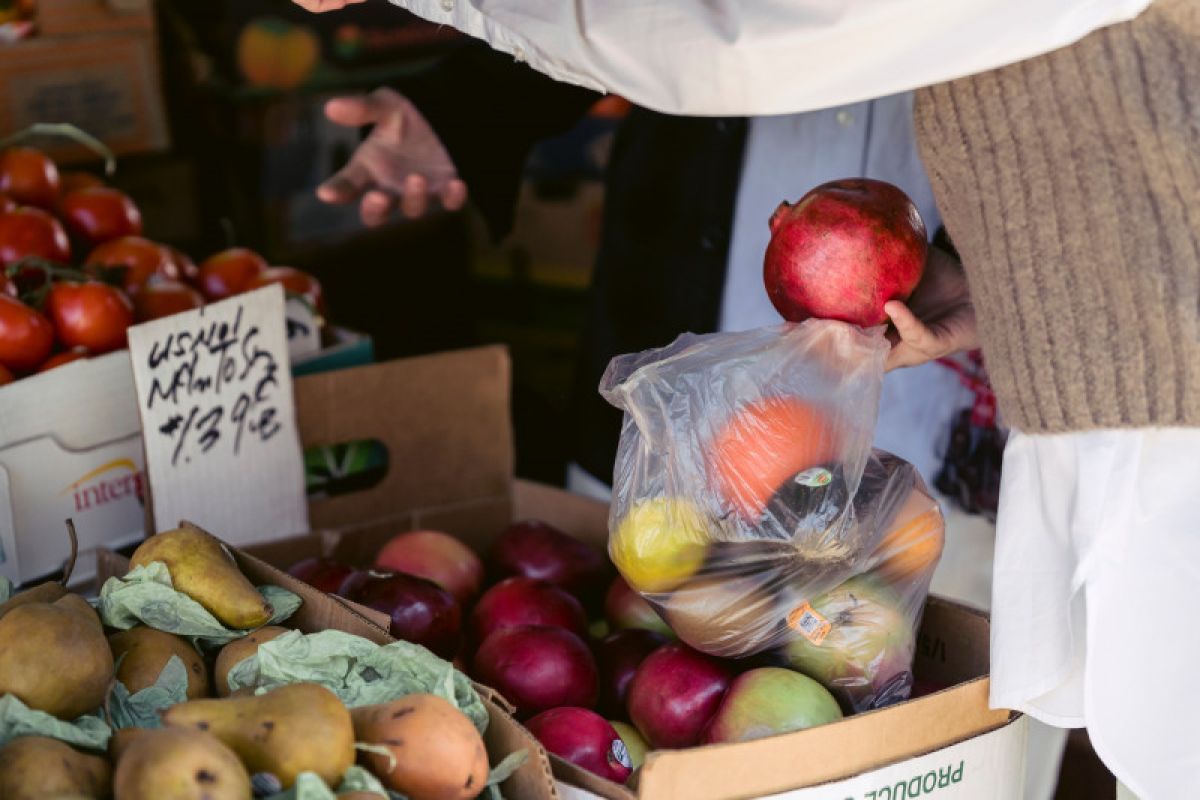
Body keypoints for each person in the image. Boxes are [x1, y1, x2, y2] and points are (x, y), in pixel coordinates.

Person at [294, 1, 1198, 797]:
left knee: (947, 711)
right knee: (657, 617)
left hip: (981, 399)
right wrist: (469, 106)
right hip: (699, 378)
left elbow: (738, 28)